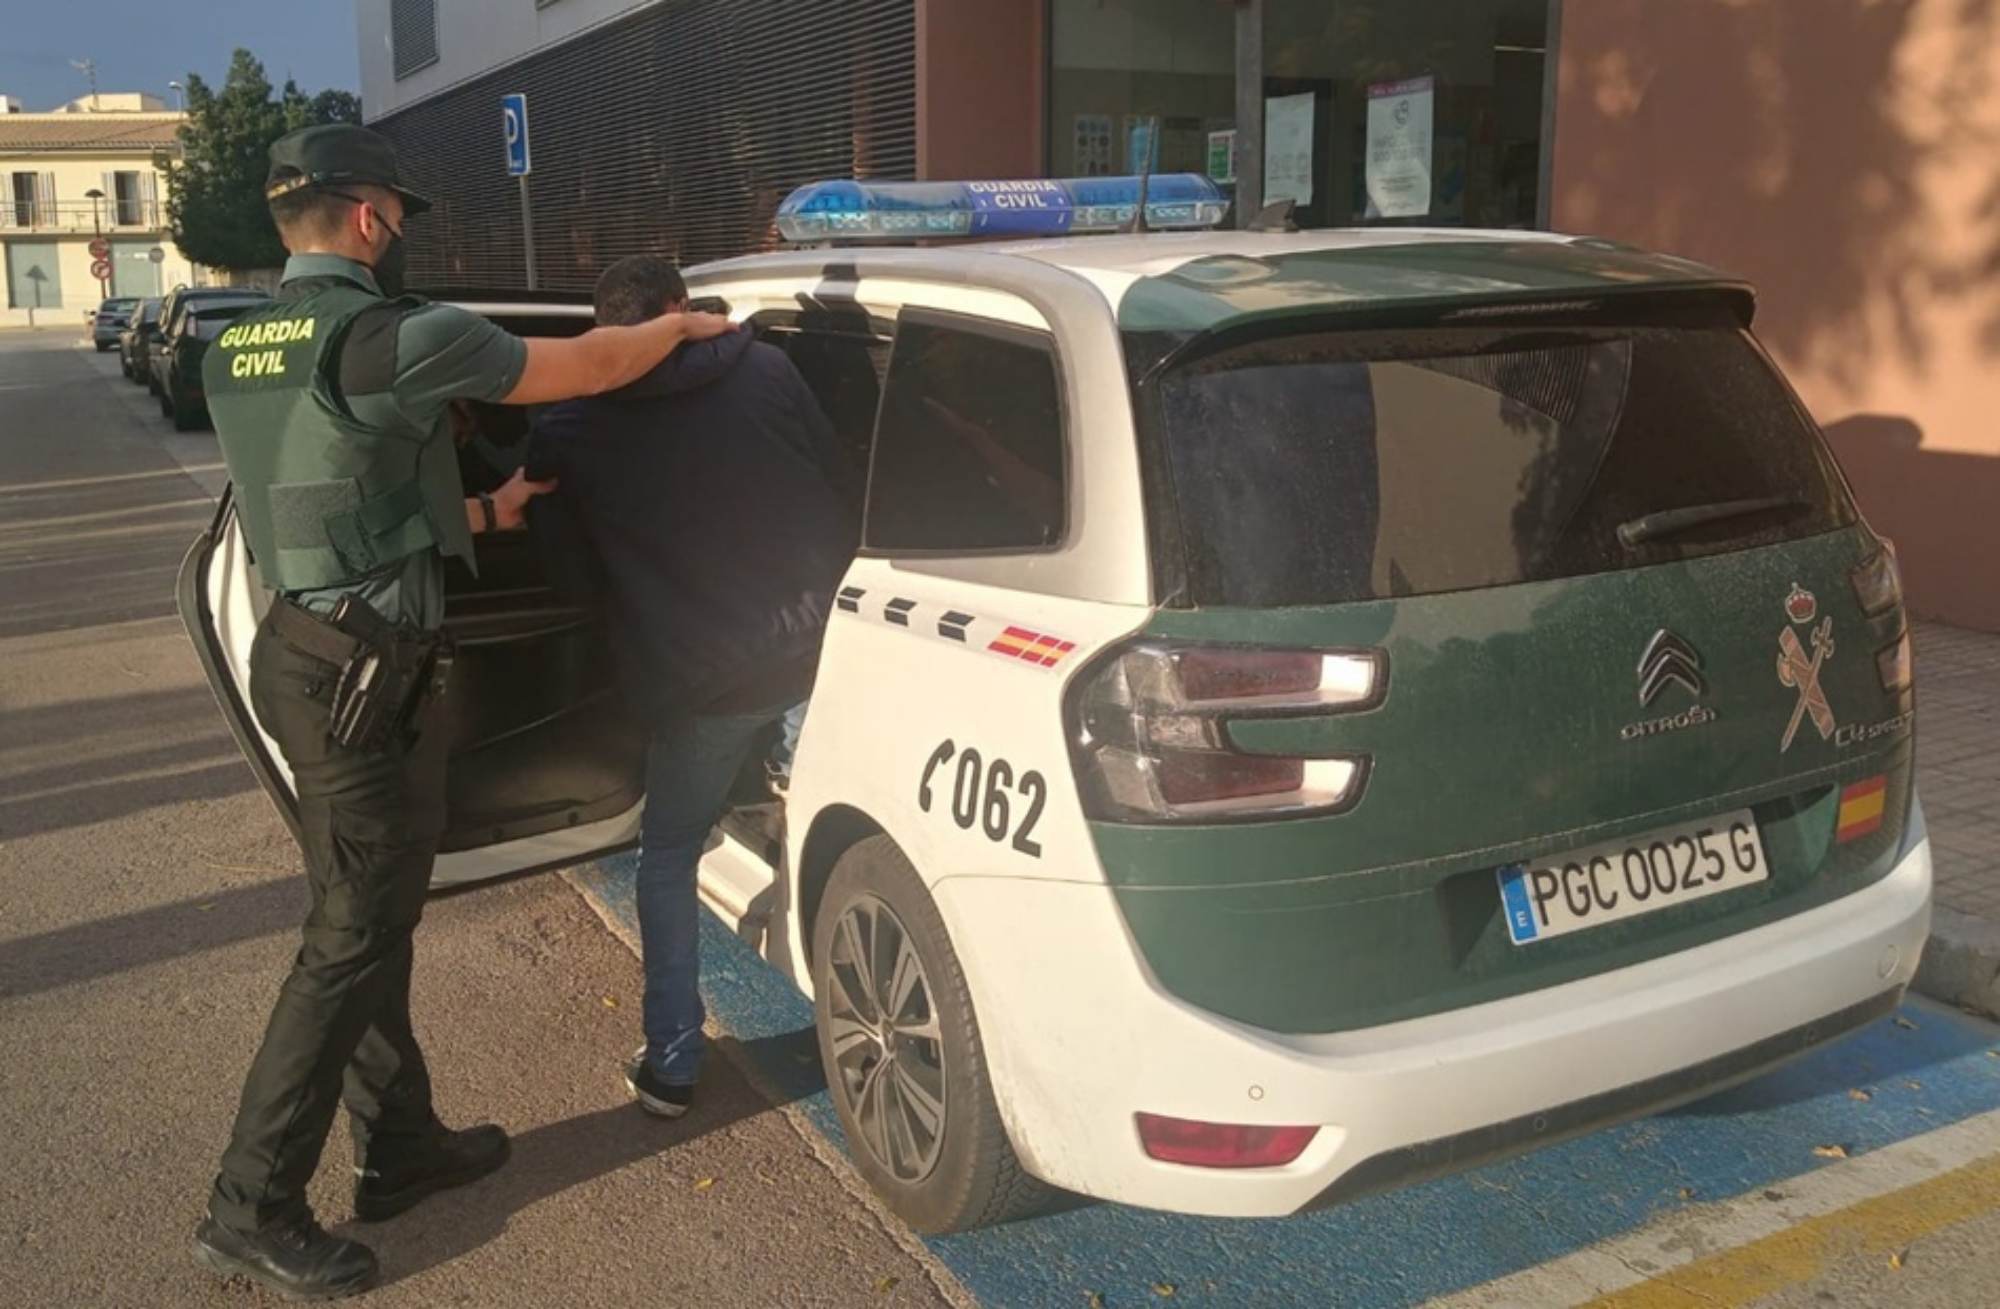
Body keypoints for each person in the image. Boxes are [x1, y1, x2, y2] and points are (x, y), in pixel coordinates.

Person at [191, 125, 734, 1301]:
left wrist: (490, 511)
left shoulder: (244, 344)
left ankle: (399, 1146)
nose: (400, 229)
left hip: (303, 650)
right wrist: (681, 329)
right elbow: (588, 367)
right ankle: (250, 1203)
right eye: (398, 212)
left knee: (369, 919)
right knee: (345, 942)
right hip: (363, 677)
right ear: (371, 217)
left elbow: (337, 490)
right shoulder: (398, 334)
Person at [523, 254, 856, 1119]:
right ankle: (871, 1014)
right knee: (856, 839)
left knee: (669, 854)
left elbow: (565, 572)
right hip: (818, 649)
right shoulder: (770, 368)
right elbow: (835, 474)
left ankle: (673, 1060)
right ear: (682, 310)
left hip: (696, 676)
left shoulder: (566, 421)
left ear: (604, 331)